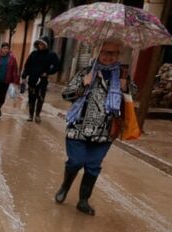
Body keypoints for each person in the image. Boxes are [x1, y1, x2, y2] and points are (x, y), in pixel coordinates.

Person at [55, 40, 135, 216]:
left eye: (113, 54)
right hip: (79, 127)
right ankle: (65, 186)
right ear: (98, 53)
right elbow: (66, 94)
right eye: (105, 52)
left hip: (105, 132)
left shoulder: (122, 76)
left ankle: (83, 200)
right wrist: (83, 85)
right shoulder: (86, 72)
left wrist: (125, 88)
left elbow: (131, 100)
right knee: (75, 161)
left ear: (118, 56)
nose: (108, 56)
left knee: (93, 166)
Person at [21, 38, 61, 122]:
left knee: (40, 97)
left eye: (42, 44)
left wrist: (48, 72)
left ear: (46, 45)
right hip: (32, 79)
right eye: (39, 44)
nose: (40, 46)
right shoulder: (33, 54)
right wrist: (24, 76)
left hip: (42, 80)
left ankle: (37, 115)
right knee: (31, 97)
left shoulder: (51, 54)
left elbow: (57, 66)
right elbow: (27, 66)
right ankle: (31, 115)